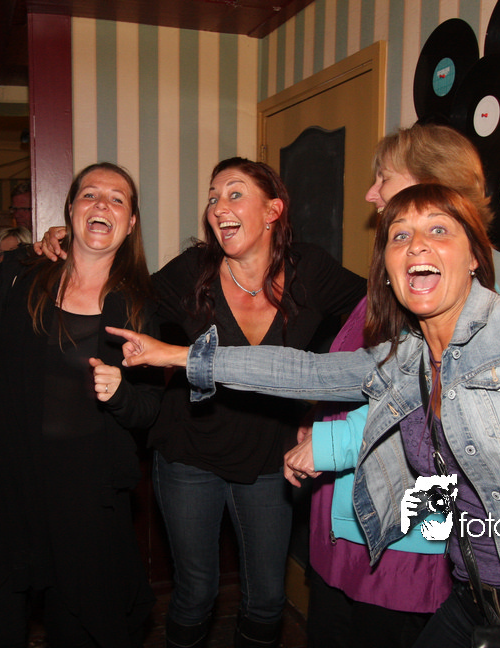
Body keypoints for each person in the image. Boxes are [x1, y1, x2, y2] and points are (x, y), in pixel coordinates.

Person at [111, 183, 500, 647]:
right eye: (400, 236)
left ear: (474, 256)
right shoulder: (405, 360)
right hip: (480, 601)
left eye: (439, 230)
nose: (417, 245)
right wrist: (178, 356)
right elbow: (300, 371)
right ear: (387, 270)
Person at [44, 157, 366, 647]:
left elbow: (377, 313)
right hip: (188, 455)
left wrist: (323, 409)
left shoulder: (311, 270)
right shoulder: (194, 271)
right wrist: (68, 247)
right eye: (213, 197)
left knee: (266, 600)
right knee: (195, 593)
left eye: (234, 193)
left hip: (269, 460)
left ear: (273, 210)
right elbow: (121, 292)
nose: (218, 206)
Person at [0, 163, 160, 647]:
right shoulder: (21, 276)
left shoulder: (139, 305)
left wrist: (121, 393)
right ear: (70, 210)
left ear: (130, 223)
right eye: (89, 194)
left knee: (82, 627)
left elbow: (150, 409)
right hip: (5, 483)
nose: (101, 204)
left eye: (117, 199)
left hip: (82, 497)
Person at [301, 123, 491, 648]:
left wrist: (326, 442)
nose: (371, 194)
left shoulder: (443, 298)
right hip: (347, 519)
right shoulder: (387, 288)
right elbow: (346, 380)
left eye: (383, 178)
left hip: (402, 538)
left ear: (431, 185)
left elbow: (421, 406)